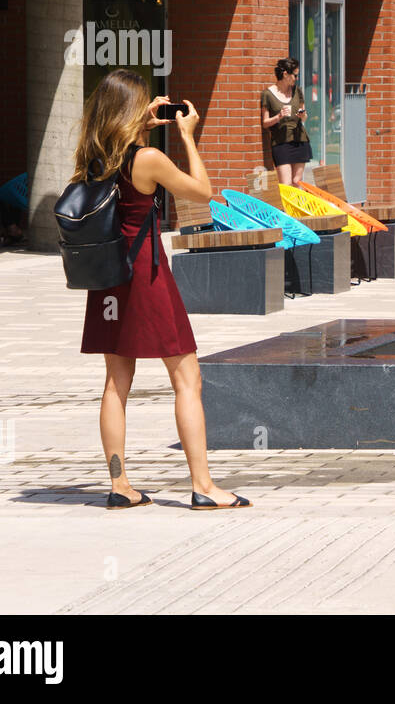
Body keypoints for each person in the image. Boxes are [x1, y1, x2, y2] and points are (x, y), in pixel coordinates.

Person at [77, 69, 251, 511]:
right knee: (186, 378)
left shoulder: (92, 156)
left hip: (108, 279)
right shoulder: (148, 159)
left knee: (116, 382)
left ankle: (119, 485)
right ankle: (204, 487)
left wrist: (142, 124)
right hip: (147, 276)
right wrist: (188, 135)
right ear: (132, 110)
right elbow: (203, 192)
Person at [261, 58, 312, 185]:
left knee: (296, 182)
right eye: (295, 75)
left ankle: (295, 205)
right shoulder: (267, 94)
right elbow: (265, 122)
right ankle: (283, 206)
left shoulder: (297, 91)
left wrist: (303, 115)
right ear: (285, 75)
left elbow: (304, 116)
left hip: (300, 140)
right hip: (281, 143)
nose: (296, 78)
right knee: (286, 184)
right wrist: (279, 116)